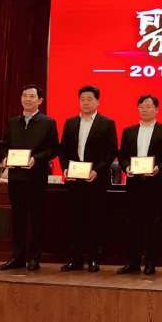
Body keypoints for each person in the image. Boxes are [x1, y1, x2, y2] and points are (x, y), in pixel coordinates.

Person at [0, 84, 59, 271]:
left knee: (36, 218)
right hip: (16, 177)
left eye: (32, 96)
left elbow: (53, 149)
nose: (28, 99)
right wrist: (4, 158)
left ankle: (34, 258)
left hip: (36, 177)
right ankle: (17, 257)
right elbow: (3, 145)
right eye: (24, 96)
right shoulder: (13, 122)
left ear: (40, 100)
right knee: (18, 218)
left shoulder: (48, 122)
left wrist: (36, 159)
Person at [58, 85, 118, 273]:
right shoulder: (70, 122)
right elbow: (63, 150)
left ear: (98, 101)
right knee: (74, 220)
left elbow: (110, 153)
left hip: (95, 181)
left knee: (95, 220)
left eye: (89, 99)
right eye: (82, 99)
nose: (85, 102)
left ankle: (93, 259)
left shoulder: (107, 123)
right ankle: (75, 259)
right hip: (74, 181)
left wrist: (96, 171)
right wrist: (66, 168)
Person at [116, 94, 162, 275]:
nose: (144, 110)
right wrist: (126, 167)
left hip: (155, 185)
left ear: (156, 109)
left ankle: (151, 262)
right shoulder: (129, 131)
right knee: (133, 224)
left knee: (153, 225)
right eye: (141, 107)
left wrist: (159, 168)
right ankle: (133, 262)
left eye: (148, 106)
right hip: (134, 184)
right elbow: (122, 156)